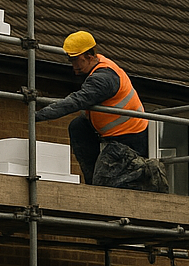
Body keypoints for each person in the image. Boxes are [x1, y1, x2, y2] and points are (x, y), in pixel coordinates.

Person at [35, 31, 149, 185]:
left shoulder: (103, 79)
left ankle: (97, 186)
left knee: (116, 182)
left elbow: (75, 101)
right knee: (78, 126)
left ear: (89, 56)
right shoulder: (98, 63)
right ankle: (92, 183)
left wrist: (37, 115)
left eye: (76, 60)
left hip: (130, 137)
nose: (73, 65)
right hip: (113, 133)